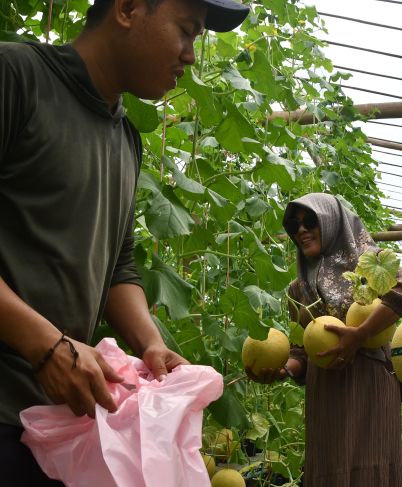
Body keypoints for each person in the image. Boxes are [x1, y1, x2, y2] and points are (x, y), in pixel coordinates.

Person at [0, 0, 249, 485]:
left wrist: (151, 345)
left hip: (63, 426)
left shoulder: (125, 140)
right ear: (129, 8)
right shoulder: (17, 76)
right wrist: (45, 346)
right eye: (186, 30)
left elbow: (118, 268)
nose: (191, 55)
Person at [247, 192, 402, 486]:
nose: (301, 230)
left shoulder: (368, 264)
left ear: (332, 223)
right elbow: (301, 352)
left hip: (371, 382)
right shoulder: (297, 290)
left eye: (310, 221)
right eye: (294, 225)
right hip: (326, 390)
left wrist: (360, 335)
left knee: (372, 461)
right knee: (330, 463)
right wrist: (284, 369)